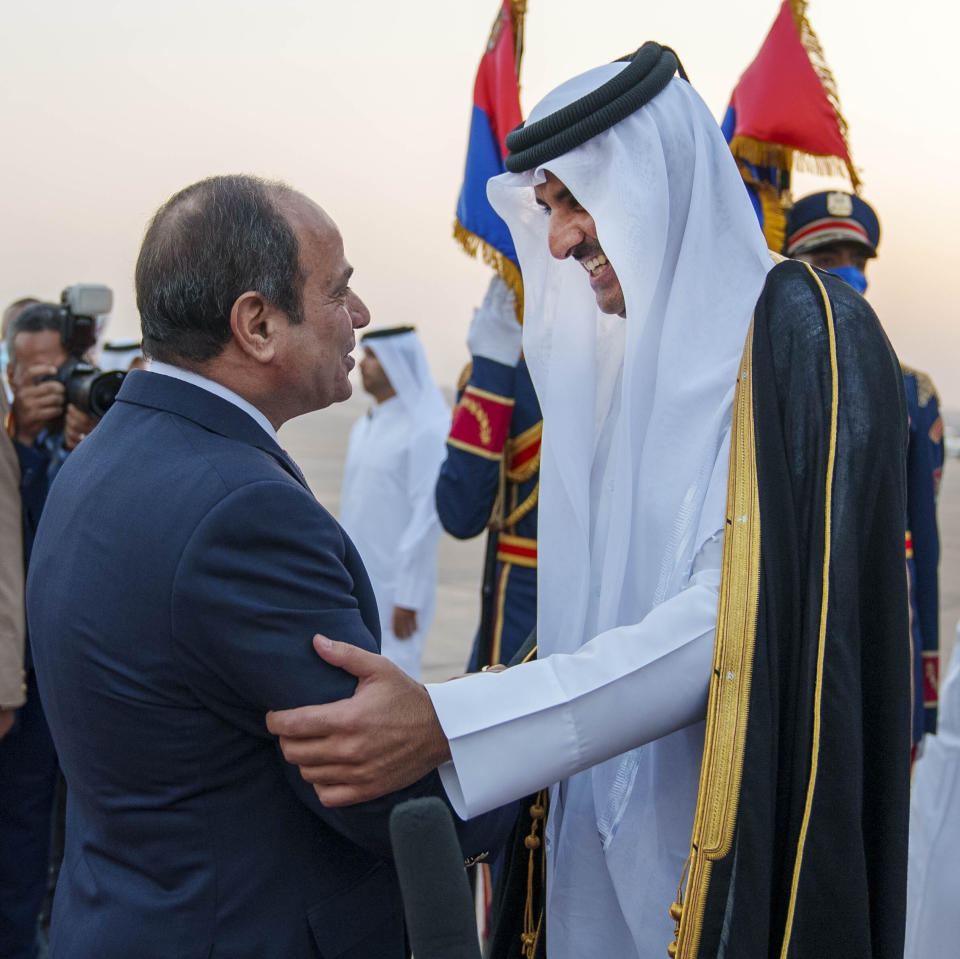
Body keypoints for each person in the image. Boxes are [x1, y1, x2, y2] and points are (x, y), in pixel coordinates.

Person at [268, 44, 910, 959]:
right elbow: (592, 608)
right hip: (588, 829)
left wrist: (449, 725)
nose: (560, 238)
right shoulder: (615, 361)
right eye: (549, 208)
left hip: (730, 836)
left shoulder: (802, 330)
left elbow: (723, 626)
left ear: (650, 180)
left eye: (574, 199)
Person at [26, 174, 509, 959]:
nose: (360, 316)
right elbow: (381, 795)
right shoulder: (241, 510)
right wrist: (543, 753)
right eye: (339, 291)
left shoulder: (109, 449)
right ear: (257, 323)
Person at [786, 190, 945, 752]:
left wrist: (923, 688)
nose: (847, 274)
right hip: (796, 625)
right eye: (826, 261)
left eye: (856, 262)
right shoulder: (761, 382)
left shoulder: (911, 391)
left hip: (883, 630)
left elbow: (922, 541)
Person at [1, 302, 98, 959]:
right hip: (15, 667)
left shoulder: (84, 440)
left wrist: (79, 445)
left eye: (53, 374)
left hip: (61, 663)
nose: (41, 387)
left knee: (32, 821)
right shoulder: (8, 438)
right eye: (27, 374)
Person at [436, 275, 541, 670]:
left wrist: (493, 369)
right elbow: (459, 513)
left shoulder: (508, 373)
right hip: (524, 614)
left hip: (525, 603)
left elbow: (458, 513)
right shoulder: (511, 371)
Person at [339, 325, 449, 679]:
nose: (363, 365)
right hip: (358, 576)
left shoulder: (426, 427)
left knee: (396, 675)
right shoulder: (366, 425)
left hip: (396, 588)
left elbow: (428, 515)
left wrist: (409, 595)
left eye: (373, 357)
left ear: (397, 362)